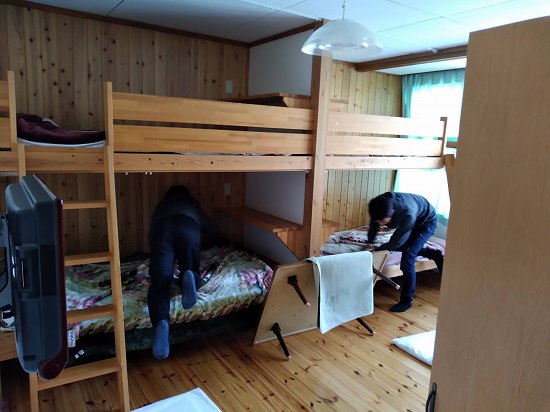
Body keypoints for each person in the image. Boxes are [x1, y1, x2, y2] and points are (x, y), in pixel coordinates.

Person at [148, 185, 228, 360]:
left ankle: (161, 321)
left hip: (162, 229)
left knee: (160, 281)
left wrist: (157, 257)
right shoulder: (192, 203)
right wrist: (226, 242)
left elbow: (152, 236)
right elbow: (211, 229)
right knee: (190, 265)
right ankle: (189, 274)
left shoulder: (161, 206)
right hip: (188, 226)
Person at [367, 192, 444, 313]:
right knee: (405, 247)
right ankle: (433, 254)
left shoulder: (407, 212)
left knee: (408, 257)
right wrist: (370, 241)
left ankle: (406, 301)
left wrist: (379, 249)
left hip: (426, 222)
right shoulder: (379, 203)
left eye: (383, 221)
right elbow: (374, 222)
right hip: (416, 216)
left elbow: (397, 241)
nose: (380, 224)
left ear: (392, 212)